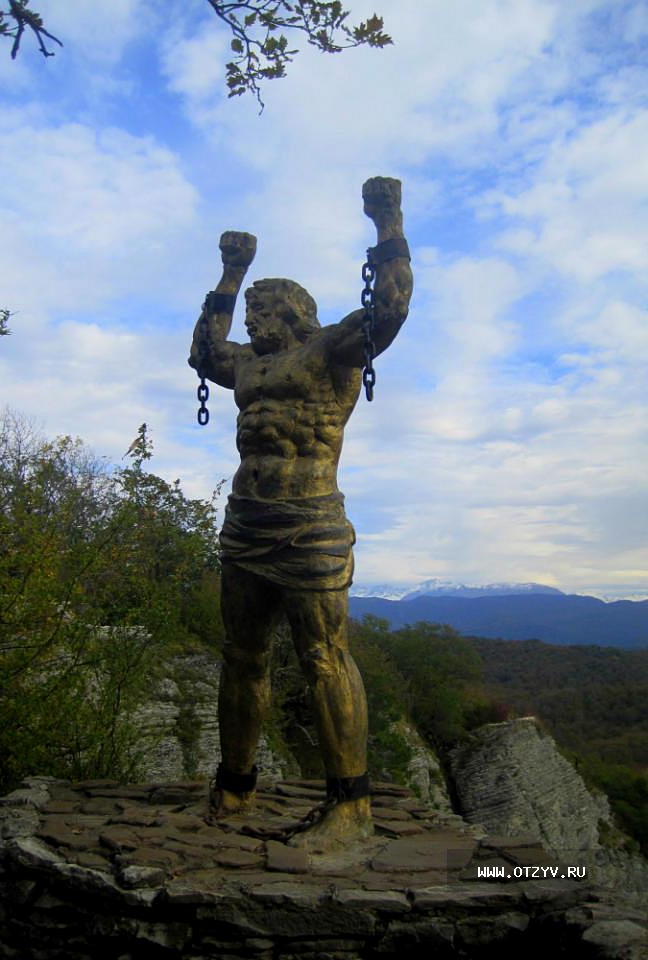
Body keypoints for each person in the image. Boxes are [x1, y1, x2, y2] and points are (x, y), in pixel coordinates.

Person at [189, 177, 413, 844]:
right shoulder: (249, 366)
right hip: (246, 521)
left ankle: (350, 805)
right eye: (248, 311)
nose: (252, 321)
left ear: (289, 311)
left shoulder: (329, 350)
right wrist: (231, 274)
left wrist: (388, 222)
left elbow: (391, 310)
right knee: (242, 655)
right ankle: (235, 790)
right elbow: (203, 350)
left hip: (309, 520)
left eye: (260, 309)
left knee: (323, 657)